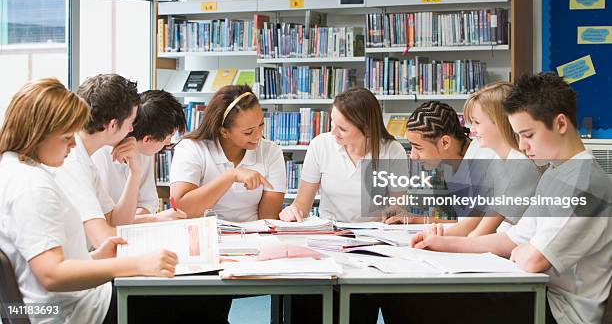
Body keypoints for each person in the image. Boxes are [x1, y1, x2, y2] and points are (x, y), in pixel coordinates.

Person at [411, 73, 612, 324]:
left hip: (560, 310)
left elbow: (534, 260)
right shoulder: (555, 172)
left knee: (422, 301)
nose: (522, 145)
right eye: (517, 136)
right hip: (540, 292)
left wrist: (523, 250)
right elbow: (510, 239)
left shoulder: (585, 183)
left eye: (528, 135)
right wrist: (441, 244)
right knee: (416, 297)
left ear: (560, 124)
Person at [0, 78, 178, 324]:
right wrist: (136, 264)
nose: (73, 143)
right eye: (66, 137)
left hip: (72, 302)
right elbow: (51, 274)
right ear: (40, 133)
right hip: (72, 312)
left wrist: (94, 259)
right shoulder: (32, 185)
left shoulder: (16, 168)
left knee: (190, 301)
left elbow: (39, 264)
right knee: (190, 301)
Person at [419, 82, 541, 237]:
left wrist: (438, 240)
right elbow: (476, 217)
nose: (472, 130)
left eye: (477, 122)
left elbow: (480, 232)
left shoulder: (521, 166)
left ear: (501, 122)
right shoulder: (497, 161)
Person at [280, 87, 407, 223]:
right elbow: (302, 205)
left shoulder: (393, 150)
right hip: (330, 233)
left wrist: (394, 213)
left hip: (374, 234)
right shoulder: (320, 145)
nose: (333, 132)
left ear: (367, 129)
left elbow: (398, 207)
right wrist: (292, 211)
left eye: (342, 129)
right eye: (332, 122)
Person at [170, 85, 286, 220]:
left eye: (261, 125)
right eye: (248, 132)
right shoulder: (191, 148)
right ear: (224, 132)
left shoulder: (271, 152)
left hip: (252, 237)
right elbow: (181, 210)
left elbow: (269, 219)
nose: (258, 136)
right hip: (204, 237)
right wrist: (231, 176)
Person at [54, 74, 141, 249]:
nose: (132, 129)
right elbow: (103, 241)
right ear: (113, 125)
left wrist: (135, 173)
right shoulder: (72, 162)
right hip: (72, 268)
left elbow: (115, 222)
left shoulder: (85, 157)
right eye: (131, 122)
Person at [382, 100, 497, 225]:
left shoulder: (482, 161)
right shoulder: (450, 163)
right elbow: (464, 222)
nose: (413, 156)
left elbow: (473, 227)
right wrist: (413, 218)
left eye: (418, 148)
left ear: (445, 143)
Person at [92, 90, 187, 223]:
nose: (169, 142)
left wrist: (139, 216)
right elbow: (107, 221)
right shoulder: (100, 155)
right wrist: (153, 219)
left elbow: (148, 202)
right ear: (147, 139)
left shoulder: (144, 152)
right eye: (168, 137)